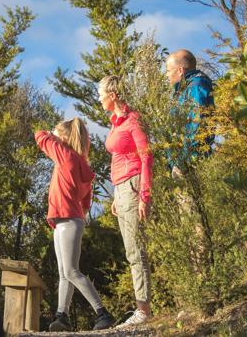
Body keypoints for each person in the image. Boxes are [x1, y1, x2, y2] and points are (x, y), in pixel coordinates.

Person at [35, 118, 115, 332]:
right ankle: (62, 316)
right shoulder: (83, 164)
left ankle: (102, 313)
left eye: (59, 135)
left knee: (71, 271)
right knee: (64, 272)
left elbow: (40, 136)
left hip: (67, 220)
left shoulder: (65, 155)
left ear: (65, 138)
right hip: (69, 219)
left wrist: (52, 133)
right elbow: (86, 202)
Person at [98, 75, 153, 328]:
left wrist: (144, 195)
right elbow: (118, 158)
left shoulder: (132, 120)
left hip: (133, 185)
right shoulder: (115, 123)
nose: (99, 99)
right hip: (122, 189)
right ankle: (141, 307)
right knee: (130, 250)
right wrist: (115, 196)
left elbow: (146, 157)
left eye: (101, 94)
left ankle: (143, 310)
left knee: (135, 250)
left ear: (113, 95)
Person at [165, 49, 215, 273]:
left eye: (168, 70)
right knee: (189, 220)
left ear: (180, 69)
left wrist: (184, 158)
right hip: (181, 162)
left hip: (190, 162)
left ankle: (203, 278)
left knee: (195, 221)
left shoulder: (196, 87)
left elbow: (199, 123)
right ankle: (200, 276)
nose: (167, 76)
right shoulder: (184, 90)